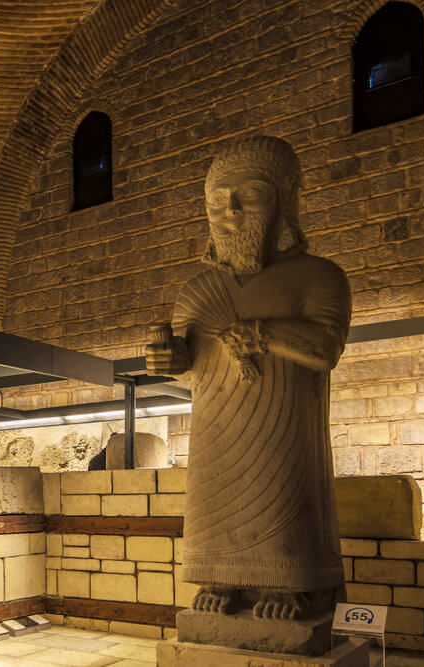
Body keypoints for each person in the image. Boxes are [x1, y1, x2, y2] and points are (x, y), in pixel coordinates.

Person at [146, 136, 351, 620]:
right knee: (213, 501)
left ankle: (287, 587)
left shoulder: (320, 277)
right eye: (218, 201)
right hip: (217, 427)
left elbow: (324, 349)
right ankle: (221, 582)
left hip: (285, 427)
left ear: (284, 199)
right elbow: (187, 363)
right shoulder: (197, 290)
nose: (231, 211)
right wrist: (166, 358)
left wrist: (264, 334)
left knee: (285, 493)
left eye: (250, 195)